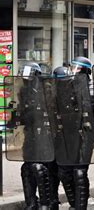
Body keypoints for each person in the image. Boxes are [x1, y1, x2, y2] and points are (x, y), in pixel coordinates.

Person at [50, 59, 94, 210]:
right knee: (64, 172)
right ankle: (73, 204)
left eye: (78, 68)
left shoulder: (92, 88)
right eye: (73, 67)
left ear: (85, 71)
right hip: (68, 135)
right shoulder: (69, 86)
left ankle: (80, 206)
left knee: (79, 172)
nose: (74, 71)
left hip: (85, 135)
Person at [12, 63, 58, 209]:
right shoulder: (24, 91)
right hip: (30, 135)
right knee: (27, 169)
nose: (26, 81)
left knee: (45, 169)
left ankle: (49, 202)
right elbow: (22, 112)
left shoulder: (47, 90)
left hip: (46, 136)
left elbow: (52, 113)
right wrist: (15, 117)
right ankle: (31, 202)